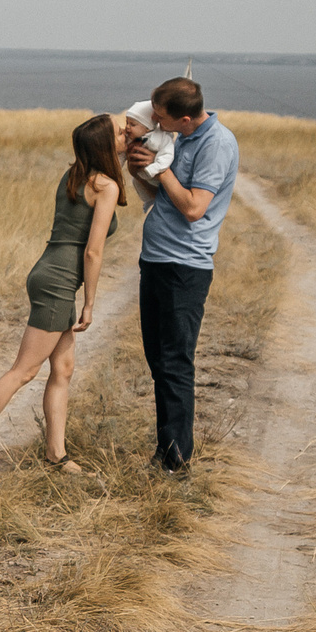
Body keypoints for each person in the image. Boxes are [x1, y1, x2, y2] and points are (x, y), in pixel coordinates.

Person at [0, 113, 124, 483]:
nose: (128, 135)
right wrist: (90, 303)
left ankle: (56, 454)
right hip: (59, 281)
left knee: (62, 370)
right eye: (122, 134)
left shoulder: (75, 174)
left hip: (46, 270)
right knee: (24, 370)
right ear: (106, 146)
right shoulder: (105, 185)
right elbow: (93, 252)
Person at [126, 76, 238, 475]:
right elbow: (163, 199)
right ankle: (165, 451)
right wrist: (142, 170)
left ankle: (175, 462)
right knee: (158, 360)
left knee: (175, 362)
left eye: (159, 116)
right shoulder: (179, 138)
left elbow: (193, 209)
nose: (152, 121)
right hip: (155, 260)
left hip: (185, 268)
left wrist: (162, 169)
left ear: (185, 117)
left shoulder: (217, 144)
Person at [119, 100, 175, 178]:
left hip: (156, 176)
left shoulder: (162, 138)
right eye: (127, 123)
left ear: (147, 128)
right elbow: (122, 155)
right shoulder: (131, 138)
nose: (127, 127)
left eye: (132, 124)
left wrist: (153, 168)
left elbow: (167, 155)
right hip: (140, 178)